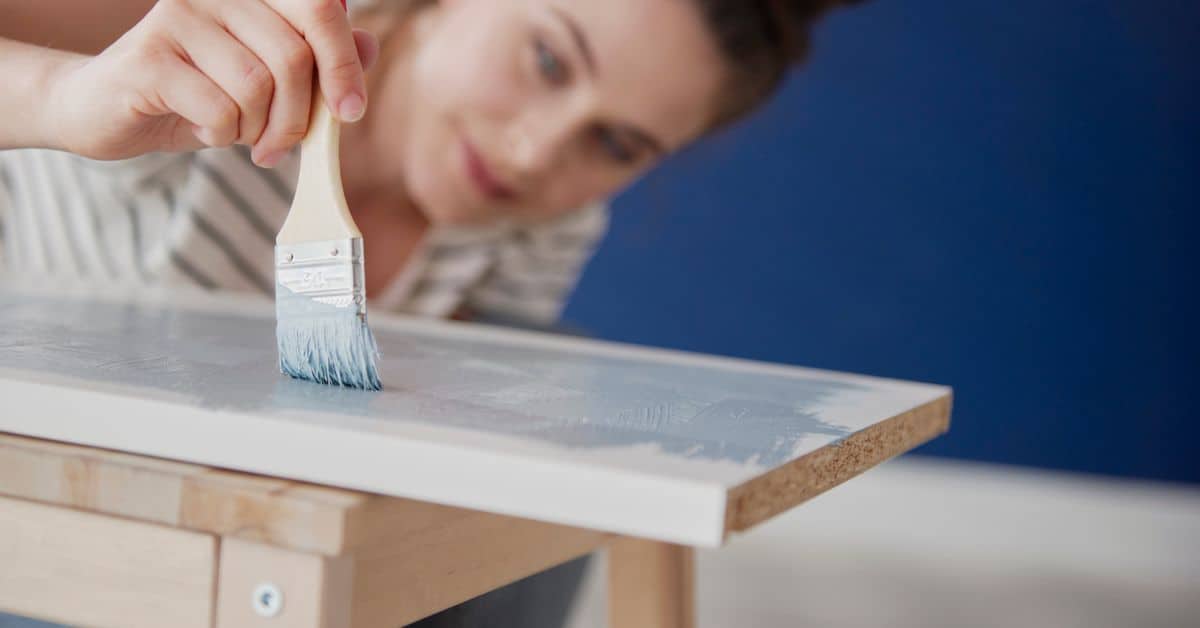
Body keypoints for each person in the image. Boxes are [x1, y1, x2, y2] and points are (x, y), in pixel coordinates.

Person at [0, 0, 861, 625]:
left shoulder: (543, 219)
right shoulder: (226, 32)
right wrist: (59, 101)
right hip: (45, 531)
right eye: (549, 61)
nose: (532, 153)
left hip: (264, 546)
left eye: (614, 143)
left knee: (553, 381)